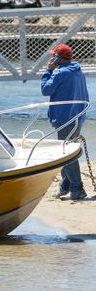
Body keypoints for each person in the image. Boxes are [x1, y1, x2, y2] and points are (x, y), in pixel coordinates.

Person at [40, 44, 89, 200]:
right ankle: (65, 187)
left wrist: (48, 71)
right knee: (67, 151)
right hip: (77, 116)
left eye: (53, 56)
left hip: (65, 117)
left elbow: (45, 90)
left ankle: (77, 189)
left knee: (67, 153)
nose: (51, 59)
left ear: (57, 58)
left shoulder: (59, 73)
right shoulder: (77, 70)